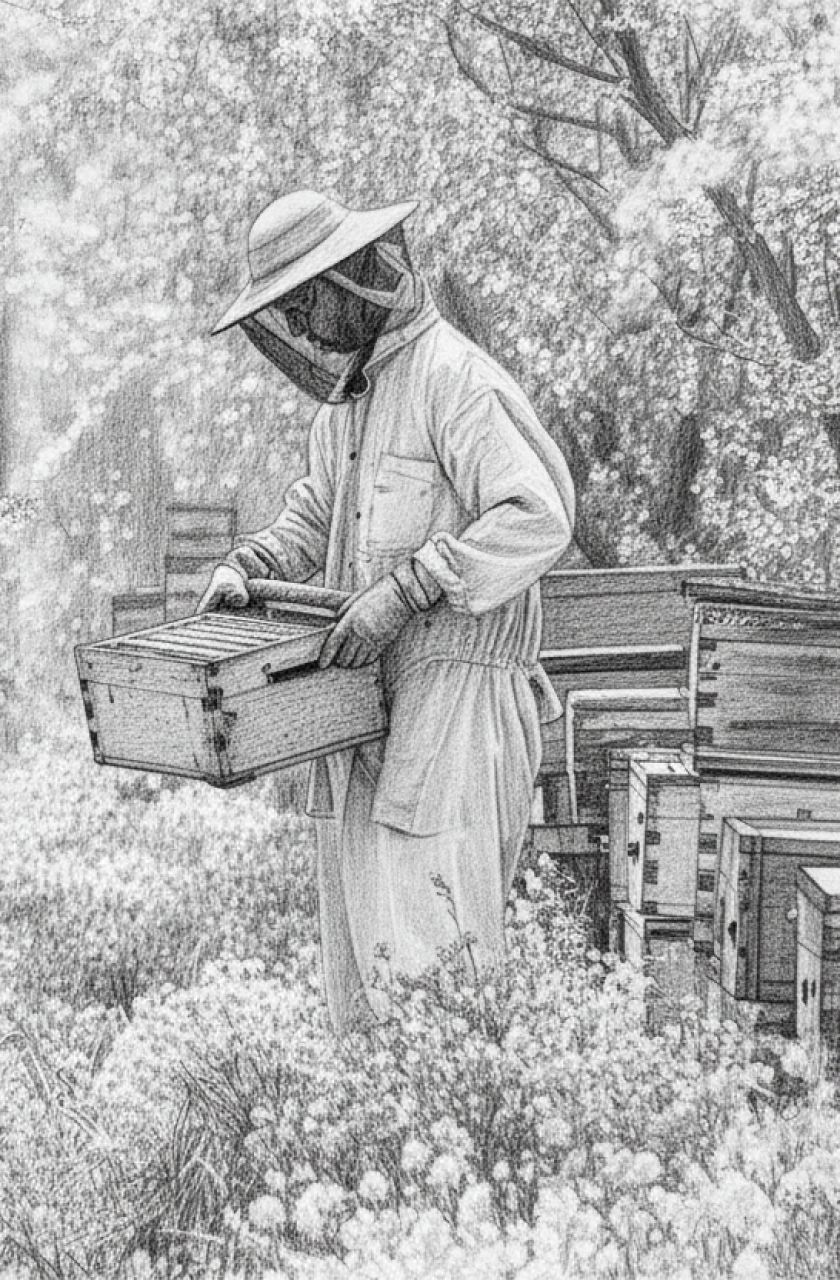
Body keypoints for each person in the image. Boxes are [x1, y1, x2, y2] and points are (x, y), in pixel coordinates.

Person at [199, 189, 576, 1032]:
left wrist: (408, 589)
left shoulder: (455, 380)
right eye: (286, 311)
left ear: (354, 277)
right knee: (365, 970)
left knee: (438, 955)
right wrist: (248, 566)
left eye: (304, 302)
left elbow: (539, 515)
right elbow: (312, 519)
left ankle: (456, 1135)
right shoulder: (352, 409)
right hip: (370, 716)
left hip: (460, 708)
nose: (299, 326)